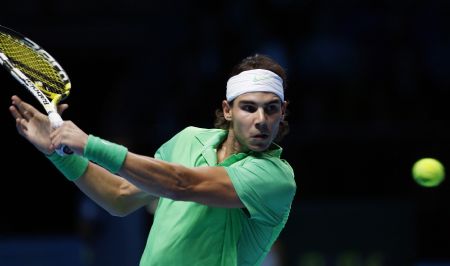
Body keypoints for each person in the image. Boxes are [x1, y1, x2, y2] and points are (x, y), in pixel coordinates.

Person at [9, 54, 297, 266]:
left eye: (271, 109)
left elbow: (181, 184)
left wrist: (89, 145)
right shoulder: (187, 140)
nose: (262, 120)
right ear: (228, 109)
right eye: (249, 108)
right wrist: (58, 154)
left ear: (282, 112)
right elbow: (119, 196)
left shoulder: (274, 177)